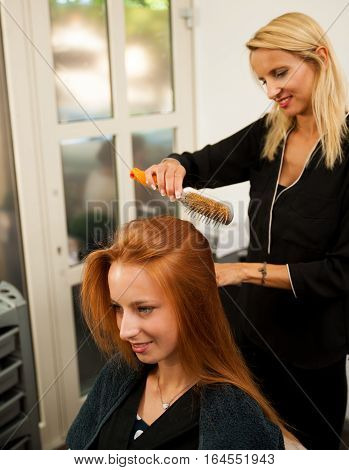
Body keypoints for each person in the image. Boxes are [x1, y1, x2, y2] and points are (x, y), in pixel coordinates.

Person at [143, 12, 349, 450]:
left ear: (321, 58)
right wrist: (176, 165)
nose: (272, 91)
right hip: (253, 332)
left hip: (315, 347)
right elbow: (201, 163)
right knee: (252, 443)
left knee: (312, 450)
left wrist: (238, 272)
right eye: (263, 81)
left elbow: (341, 272)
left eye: (280, 73)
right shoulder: (270, 132)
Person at [66, 216, 297, 450]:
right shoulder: (119, 372)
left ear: (195, 304)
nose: (125, 331)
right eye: (117, 307)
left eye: (144, 309)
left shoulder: (237, 419)